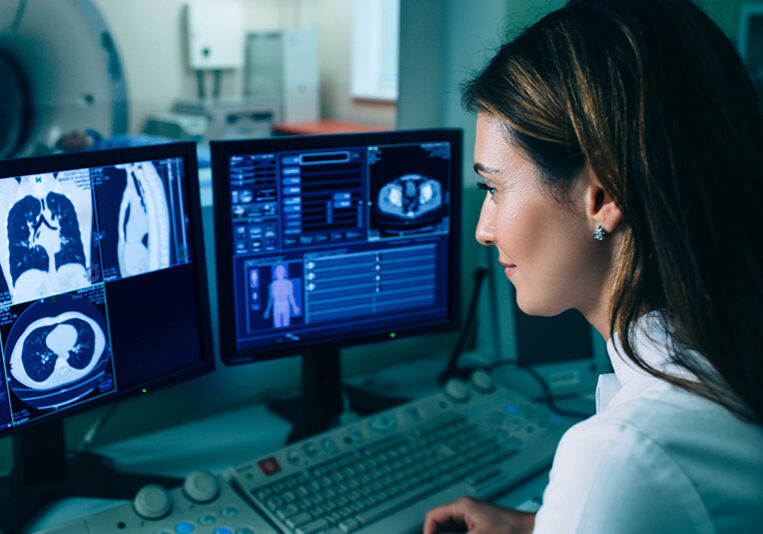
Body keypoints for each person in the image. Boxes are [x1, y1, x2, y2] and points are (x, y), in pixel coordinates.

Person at [424, 0, 763, 532]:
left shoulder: (623, 456)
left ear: (601, 195)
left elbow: (640, 475)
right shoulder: (730, 357)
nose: (482, 230)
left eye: (493, 188)